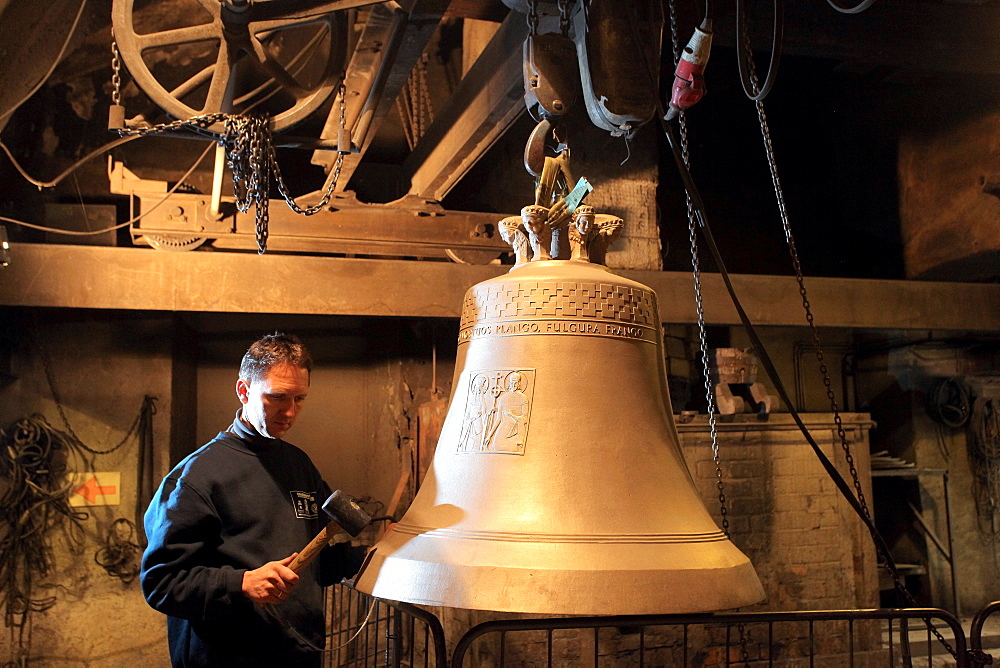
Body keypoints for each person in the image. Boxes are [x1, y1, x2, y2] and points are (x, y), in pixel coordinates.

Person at [140, 333, 367, 667]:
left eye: (300, 399)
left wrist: (371, 557)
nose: (290, 412)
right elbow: (161, 583)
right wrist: (241, 583)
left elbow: (316, 564)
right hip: (226, 658)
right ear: (244, 391)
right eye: (277, 397)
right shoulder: (196, 478)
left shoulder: (299, 465)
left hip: (299, 654)